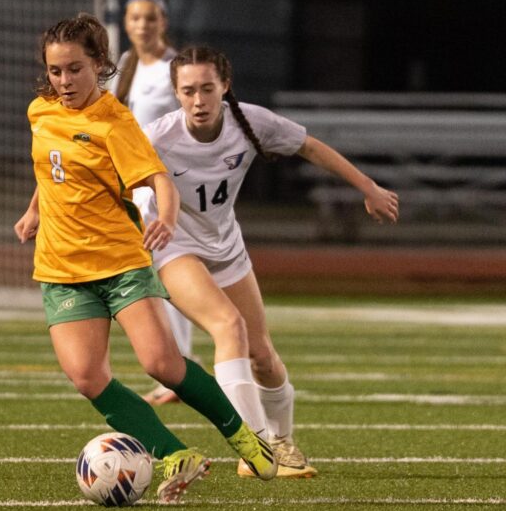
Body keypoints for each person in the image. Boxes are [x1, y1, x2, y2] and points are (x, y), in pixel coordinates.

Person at [14, 15, 277, 502]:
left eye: (75, 69)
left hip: (120, 265)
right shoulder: (40, 112)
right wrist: (33, 212)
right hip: (61, 270)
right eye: (55, 72)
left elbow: (159, 181)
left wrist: (169, 220)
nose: (65, 81)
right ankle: (176, 454)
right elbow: (49, 168)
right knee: (87, 376)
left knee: (161, 363)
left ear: (99, 65)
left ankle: (244, 436)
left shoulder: (116, 123)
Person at [137, 46, 400, 478]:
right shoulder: (157, 137)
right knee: (228, 325)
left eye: (207, 88)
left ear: (225, 86)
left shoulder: (251, 122)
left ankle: (281, 440)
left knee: (262, 355)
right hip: (175, 247)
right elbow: (99, 171)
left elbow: (311, 148)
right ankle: (254, 447)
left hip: (227, 247)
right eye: (188, 91)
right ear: (175, 93)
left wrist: (368, 186)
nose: (199, 100)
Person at [107, 0, 197, 406]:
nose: (142, 25)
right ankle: (174, 365)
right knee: (153, 273)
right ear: (126, 24)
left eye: (150, 18)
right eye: (135, 18)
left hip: (165, 183)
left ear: (163, 22)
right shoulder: (124, 65)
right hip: (135, 183)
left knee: (169, 270)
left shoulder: (173, 68)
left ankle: (178, 368)